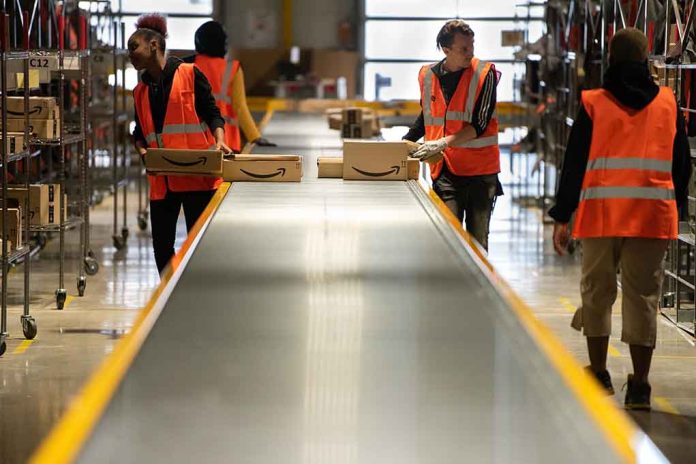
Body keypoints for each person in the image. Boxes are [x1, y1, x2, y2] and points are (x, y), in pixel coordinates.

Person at [549, 28, 691, 410]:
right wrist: (676, 210)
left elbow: (574, 162)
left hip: (602, 215)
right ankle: (641, 384)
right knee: (643, 296)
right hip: (651, 217)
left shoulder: (595, 102)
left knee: (597, 292)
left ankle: (598, 373)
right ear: (646, 58)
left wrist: (562, 216)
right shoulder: (666, 101)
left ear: (610, 56)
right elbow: (682, 165)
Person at [128, 14, 231, 275]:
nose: (130, 54)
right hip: (162, 182)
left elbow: (212, 113)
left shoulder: (189, 74)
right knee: (162, 249)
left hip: (197, 177)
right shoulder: (140, 91)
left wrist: (219, 141)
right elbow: (140, 132)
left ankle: (199, 294)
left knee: (200, 245)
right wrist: (143, 152)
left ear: (153, 45)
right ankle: (168, 294)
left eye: (133, 47)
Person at [405, 19, 501, 251]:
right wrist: (402, 144)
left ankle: (477, 287)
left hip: (481, 174)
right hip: (446, 171)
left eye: (472, 47)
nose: (470, 54)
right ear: (446, 50)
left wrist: (441, 143)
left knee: (478, 245)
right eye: (464, 49)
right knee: (448, 240)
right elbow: (426, 116)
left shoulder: (484, 74)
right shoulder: (428, 76)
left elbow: (479, 123)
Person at [185, 20, 275, 153]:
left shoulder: (187, 66)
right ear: (223, 44)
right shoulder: (232, 69)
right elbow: (240, 106)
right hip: (225, 142)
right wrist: (255, 137)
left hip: (194, 140)